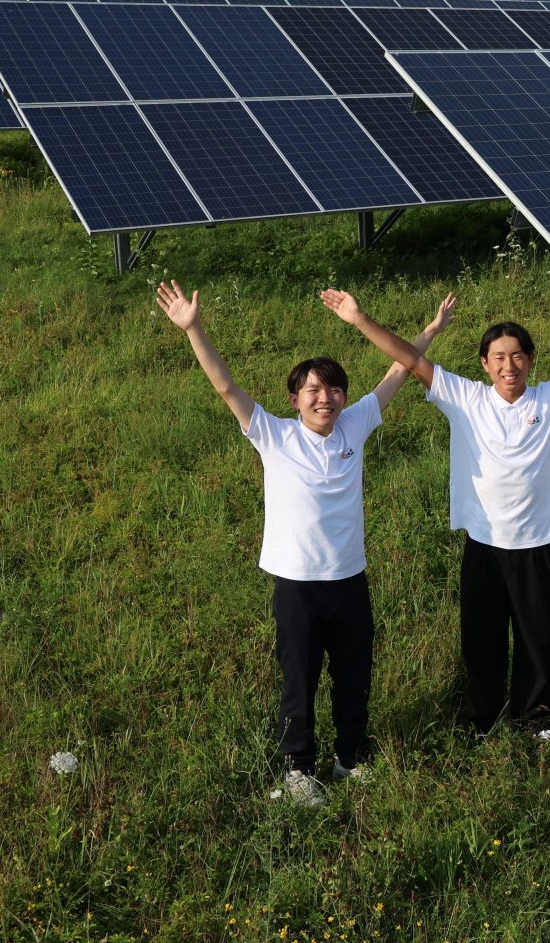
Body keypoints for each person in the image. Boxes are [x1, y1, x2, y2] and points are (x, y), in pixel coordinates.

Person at [319, 271, 550, 739]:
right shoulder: (464, 397)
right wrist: (359, 318)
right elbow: (408, 358)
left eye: (518, 355)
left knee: (536, 637)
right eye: (499, 357)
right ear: (484, 364)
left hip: (536, 544)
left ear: (531, 360)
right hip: (483, 543)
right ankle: (481, 718)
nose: (509, 365)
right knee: (480, 638)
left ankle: (535, 716)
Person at [157, 279, 453, 807]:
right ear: (294, 400)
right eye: (313, 390)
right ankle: (298, 768)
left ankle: (349, 759)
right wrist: (193, 329)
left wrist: (430, 330)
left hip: (350, 579)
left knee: (354, 675)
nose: (325, 398)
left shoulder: (354, 424)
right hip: (297, 585)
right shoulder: (275, 435)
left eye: (333, 389)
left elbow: (399, 370)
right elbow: (226, 387)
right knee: (300, 679)